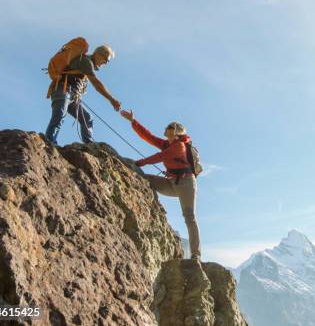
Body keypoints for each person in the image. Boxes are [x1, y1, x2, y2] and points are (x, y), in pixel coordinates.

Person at [120, 109, 201, 261]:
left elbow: (160, 157)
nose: (165, 131)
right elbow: (148, 137)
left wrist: (137, 163)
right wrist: (133, 121)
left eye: (168, 129)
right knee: (144, 179)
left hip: (186, 184)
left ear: (174, 133)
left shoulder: (179, 147)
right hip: (172, 183)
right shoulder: (166, 144)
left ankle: (196, 254)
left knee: (189, 217)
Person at [45, 45, 121, 145]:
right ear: (98, 54)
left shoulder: (88, 64)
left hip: (72, 96)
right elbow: (96, 84)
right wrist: (111, 99)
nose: (105, 63)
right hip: (62, 89)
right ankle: (49, 142)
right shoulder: (86, 61)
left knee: (87, 118)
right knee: (59, 115)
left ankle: (89, 144)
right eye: (106, 60)